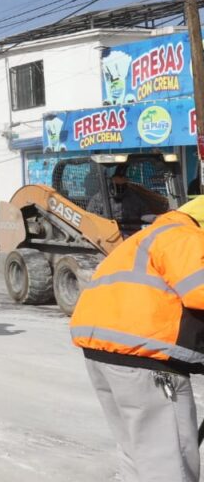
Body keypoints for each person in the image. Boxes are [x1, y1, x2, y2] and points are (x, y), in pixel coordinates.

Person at [71, 195, 204, 482]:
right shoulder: (184, 236)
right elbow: (199, 289)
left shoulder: (150, 236)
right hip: (146, 362)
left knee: (138, 456)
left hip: (104, 354)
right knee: (169, 463)